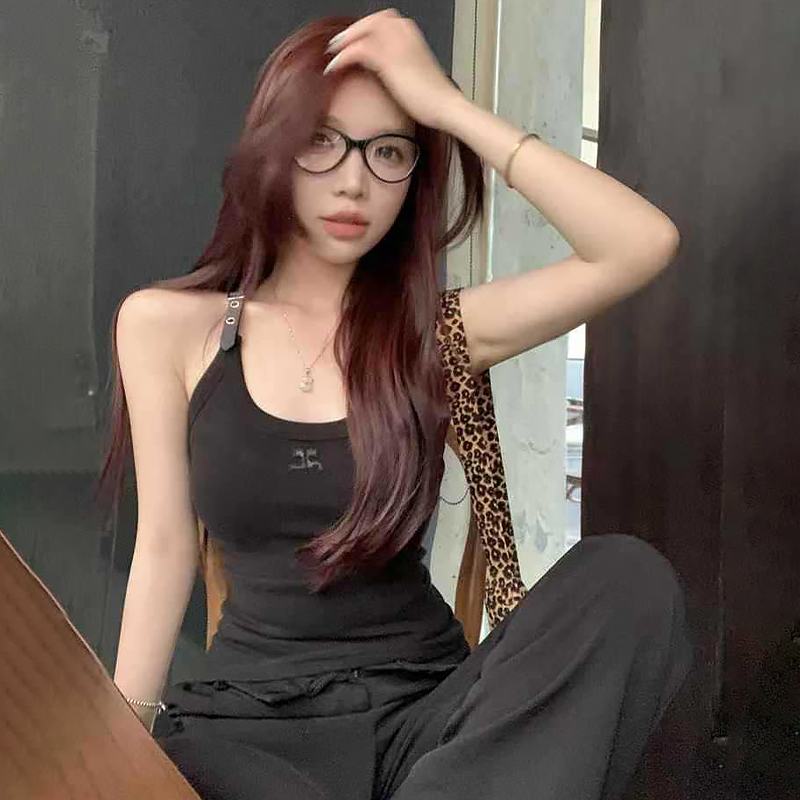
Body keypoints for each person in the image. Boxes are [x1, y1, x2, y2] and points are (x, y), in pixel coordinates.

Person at [97, 9, 693, 800]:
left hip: (428, 716)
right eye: (322, 142)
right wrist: (118, 745)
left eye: (388, 152)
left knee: (628, 582)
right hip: (250, 731)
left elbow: (640, 243)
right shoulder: (167, 327)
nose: (354, 181)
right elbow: (166, 547)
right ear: (273, 147)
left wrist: (447, 105)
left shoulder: (435, 335)